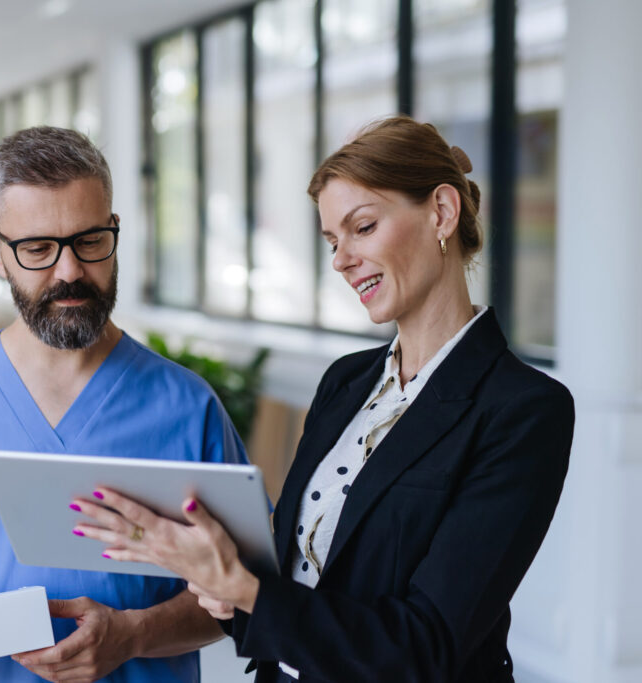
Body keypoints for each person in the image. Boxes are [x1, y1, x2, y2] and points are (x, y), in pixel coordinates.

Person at [72, 116, 575, 683]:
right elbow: (293, 578)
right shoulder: (346, 381)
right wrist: (215, 574)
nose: (340, 260)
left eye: (362, 228)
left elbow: (427, 646)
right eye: (333, 241)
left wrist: (244, 589)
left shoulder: (523, 409)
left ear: (441, 211)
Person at [0, 126, 248, 683]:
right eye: (38, 248)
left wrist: (134, 636)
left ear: (114, 233)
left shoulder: (187, 405)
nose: (68, 271)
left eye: (88, 242)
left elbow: (243, 590)